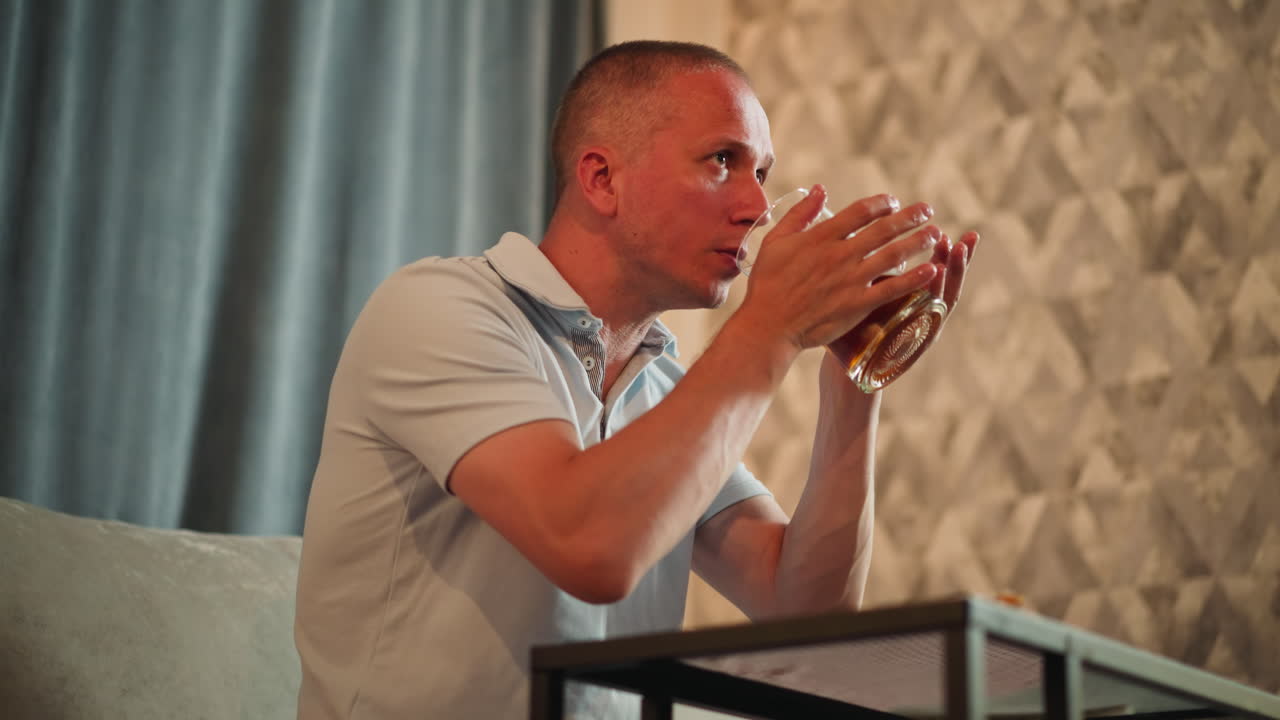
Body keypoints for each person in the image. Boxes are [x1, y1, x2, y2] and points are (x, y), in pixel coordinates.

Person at [293, 40, 978, 719]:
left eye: (763, 172)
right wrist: (769, 329)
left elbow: (805, 611)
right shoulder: (439, 309)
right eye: (722, 161)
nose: (755, 206)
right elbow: (588, 547)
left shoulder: (662, 388)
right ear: (601, 179)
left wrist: (856, 382)